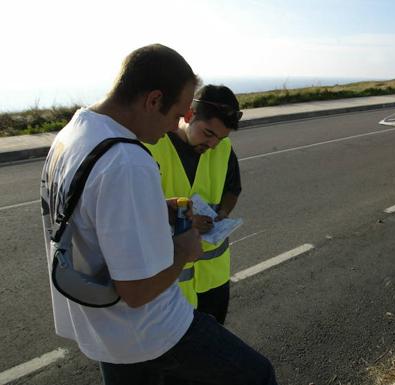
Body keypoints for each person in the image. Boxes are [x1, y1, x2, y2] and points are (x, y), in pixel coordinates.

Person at [40, 44, 277, 385]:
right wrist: (185, 251)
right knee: (257, 374)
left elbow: (91, 219)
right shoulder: (126, 160)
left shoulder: (73, 135)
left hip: (105, 328)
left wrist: (154, 208)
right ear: (153, 100)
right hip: (148, 330)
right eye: (178, 113)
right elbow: (136, 291)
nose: (176, 125)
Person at [146, 84, 242, 325]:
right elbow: (139, 213)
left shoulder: (223, 149)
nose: (212, 145)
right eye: (208, 134)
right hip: (172, 284)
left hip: (214, 280)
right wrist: (185, 222)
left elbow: (233, 188)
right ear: (188, 115)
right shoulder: (152, 147)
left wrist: (223, 212)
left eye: (220, 138)